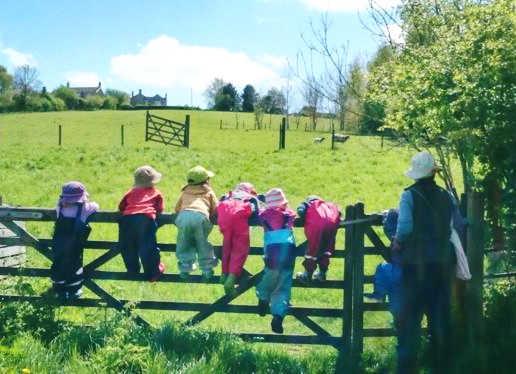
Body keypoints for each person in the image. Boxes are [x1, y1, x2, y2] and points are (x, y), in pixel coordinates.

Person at [391, 151, 455, 374]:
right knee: (439, 322)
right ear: (433, 172)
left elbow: (405, 227)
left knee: (409, 324)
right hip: (442, 265)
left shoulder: (409, 196)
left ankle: (407, 369)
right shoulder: (447, 197)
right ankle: (441, 367)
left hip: (415, 267)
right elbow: (454, 224)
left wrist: (396, 242)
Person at [255, 188, 296, 334]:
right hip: (288, 252)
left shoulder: (264, 215)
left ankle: (263, 299)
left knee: (269, 276)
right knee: (283, 285)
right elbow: (293, 213)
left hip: (272, 253)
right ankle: (278, 315)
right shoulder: (289, 215)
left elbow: (258, 213)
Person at [51, 181, 99, 300]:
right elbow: (96, 206)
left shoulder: (60, 207)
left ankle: (58, 290)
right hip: (75, 244)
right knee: (74, 266)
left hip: (59, 243)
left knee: (58, 264)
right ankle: (74, 291)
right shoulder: (84, 208)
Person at [118, 165, 165, 282]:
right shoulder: (156, 193)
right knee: (148, 247)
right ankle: (153, 273)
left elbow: (121, 206)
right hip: (145, 219)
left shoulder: (130, 192)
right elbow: (160, 208)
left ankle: (132, 270)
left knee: (127, 246)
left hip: (127, 220)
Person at [174, 165, 218, 281]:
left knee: (184, 242)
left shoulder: (185, 192)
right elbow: (215, 209)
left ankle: (185, 268)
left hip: (184, 216)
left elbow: (177, 208)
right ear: (206, 181)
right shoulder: (209, 192)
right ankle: (207, 269)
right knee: (202, 242)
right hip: (201, 216)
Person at [217, 182, 260, 296]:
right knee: (239, 250)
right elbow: (256, 213)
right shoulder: (251, 198)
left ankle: (224, 274)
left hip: (225, 218)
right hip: (239, 221)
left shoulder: (227, 195)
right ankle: (231, 278)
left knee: (226, 247)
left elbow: (218, 205)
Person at [364, 208, 402, 322]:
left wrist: (385, 218)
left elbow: (389, 229)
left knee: (382, 269)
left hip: (401, 271)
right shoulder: (412, 223)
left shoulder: (395, 232)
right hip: (417, 270)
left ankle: (379, 294)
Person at [295, 195, 341, 284]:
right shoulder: (328, 206)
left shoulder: (310, 203)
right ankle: (322, 273)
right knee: (326, 250)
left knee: (312, 251)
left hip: (317, 227)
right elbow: (339, 212)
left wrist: (304, 218)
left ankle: (307, 275)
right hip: (331, 226)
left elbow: (300, 210)